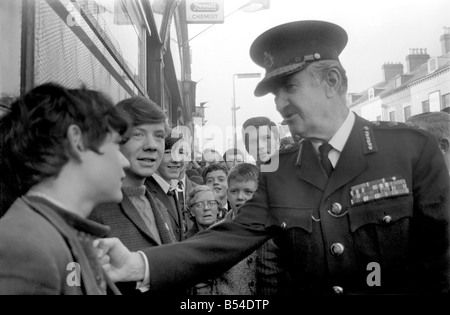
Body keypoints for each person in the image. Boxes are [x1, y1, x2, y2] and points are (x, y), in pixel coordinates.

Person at [98, 20, 450, 295]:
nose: (280, 104)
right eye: (275, 93)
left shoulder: (411, 151)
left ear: (333, 82)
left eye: (290, 88)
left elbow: (440, 266)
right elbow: (224, 241)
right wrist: (137, 264)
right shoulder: (279, 171)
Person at [0, 83, 129, 294]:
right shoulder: (25, 246)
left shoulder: (55, 235)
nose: (125, 162)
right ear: (77, 141)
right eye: (116, 144)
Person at [88, 96, 176, 294]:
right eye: (138, 134)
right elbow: (73, 278)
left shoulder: (160, 205)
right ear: (114, 140)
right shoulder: (92, 208)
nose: (152, 145)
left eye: (159, 136)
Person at [145, 133, 186, 241]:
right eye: (168, 152)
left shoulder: (172, 189)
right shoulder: (145, 192)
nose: (176, 159)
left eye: (180, 152)